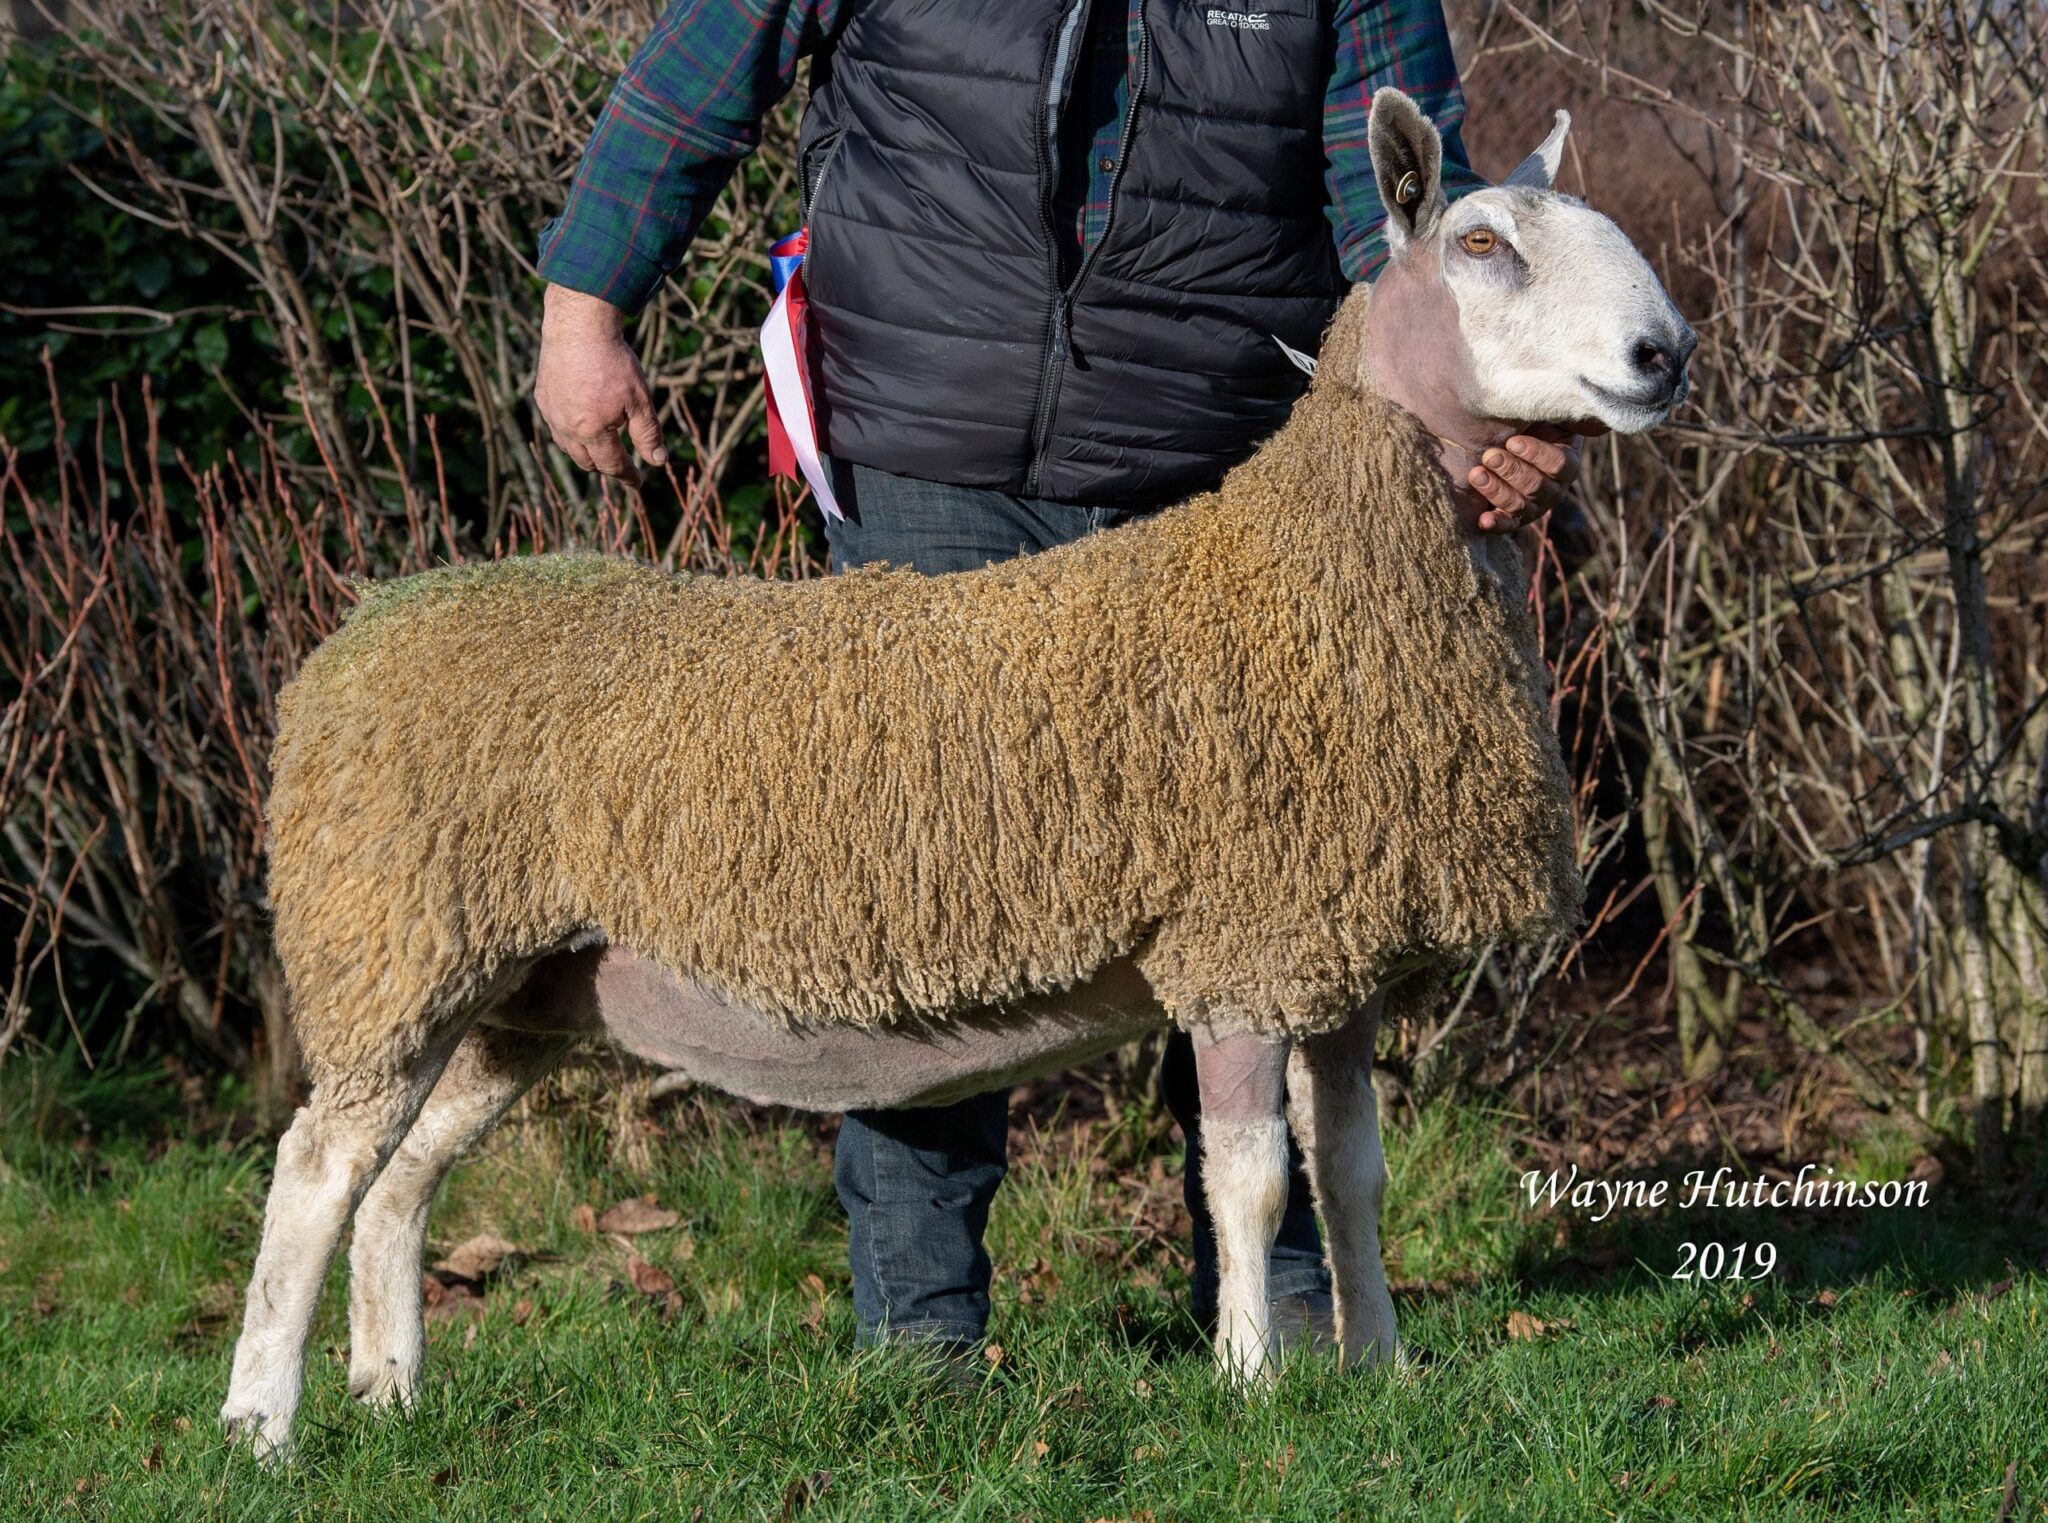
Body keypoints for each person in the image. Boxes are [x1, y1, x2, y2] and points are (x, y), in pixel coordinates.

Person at [533, 0, 1582, 1360]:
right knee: (924, 896)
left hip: (1219, 467)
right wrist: (585, 309)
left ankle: (1285, 1311)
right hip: (934, 446)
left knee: (1278, 891)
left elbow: (1412, 212)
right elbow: (705, 65)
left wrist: (1489, 420)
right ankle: (922, 1330)